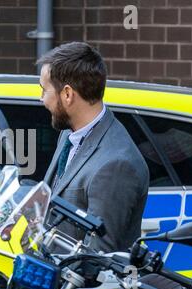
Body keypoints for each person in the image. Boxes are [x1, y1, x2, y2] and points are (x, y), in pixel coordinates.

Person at [39, 42, 149, 252]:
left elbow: (98, 255)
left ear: (67, 94)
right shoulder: (68, 133)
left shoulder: (117, 164)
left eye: (44, 90)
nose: (41, 99)